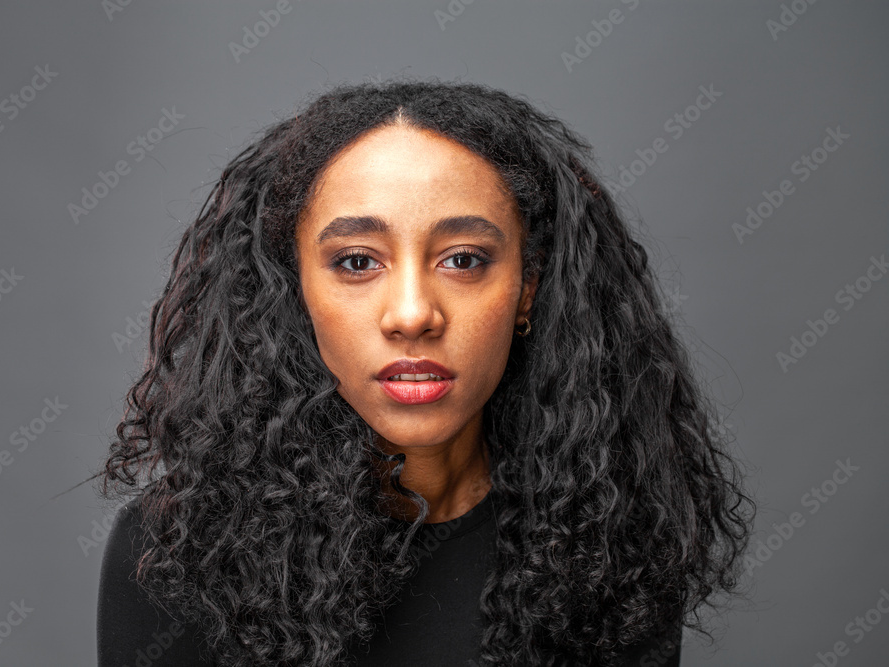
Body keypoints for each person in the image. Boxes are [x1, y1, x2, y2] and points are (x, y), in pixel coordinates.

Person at [95, 77, 755, 666]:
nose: (412, 314)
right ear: (294, 289)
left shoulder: (613, 543)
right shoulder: (177, 557)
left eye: (464, 259)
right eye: (356, 261)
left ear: (527, 288)